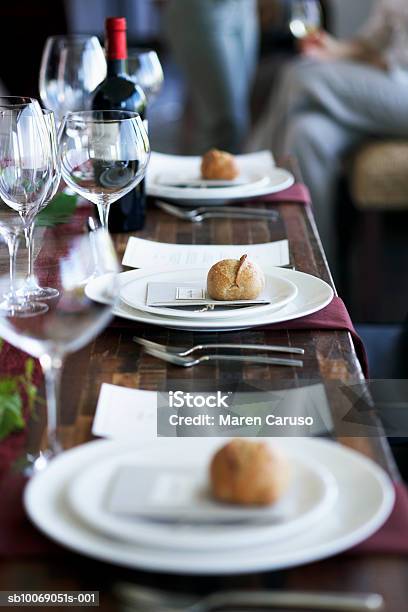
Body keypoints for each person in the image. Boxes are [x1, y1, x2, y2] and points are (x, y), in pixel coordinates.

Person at [248, 0, 408, 273]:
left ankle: (250, 191)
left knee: (299, 75)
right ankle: (313, 269)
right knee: (306, 133)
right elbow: (375, 41)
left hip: (399, 85)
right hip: (386, 83)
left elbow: (392, 58)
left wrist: (357, 64)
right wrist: (333, 50)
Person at [164, 0, 259, 153]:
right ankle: (201, 175)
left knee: (237, 120)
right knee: (225, 124)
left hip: (244, 6)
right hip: (201, 7)